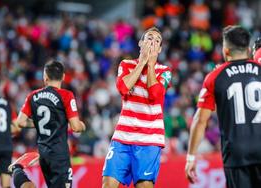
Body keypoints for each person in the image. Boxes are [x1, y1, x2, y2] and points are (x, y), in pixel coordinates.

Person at [185, 25, 261, 188]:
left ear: (225, 51)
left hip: (236, 154)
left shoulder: (215, 76)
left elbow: (200, 120)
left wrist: (191, 157)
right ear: (248, 49)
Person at [102, 27, 172, 188]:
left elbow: (155, 94)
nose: (152, 42)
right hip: (122, 137)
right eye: (149, 38)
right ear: (141, 43)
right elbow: (123, 88)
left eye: (157, 41)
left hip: (149, 139)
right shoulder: (126, 65)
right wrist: (142, 63)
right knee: (107, 184)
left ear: (160, 49)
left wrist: (151, 65)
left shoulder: (165, 71)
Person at [16, 60, 86, 188]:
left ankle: (18, 173)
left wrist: (36, 123)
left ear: (45, 77)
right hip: (59, 155)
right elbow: (76, 127)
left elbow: (20, 122)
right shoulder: (66, 95)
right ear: (63, 77)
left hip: (43, 154)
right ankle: (18, 174)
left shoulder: (33, 95)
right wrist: (82, 125)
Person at [0, 75, 18, 188]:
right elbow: (16, 127)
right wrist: (6, 133)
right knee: (6, 184)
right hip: (7, 146)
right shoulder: (6, 103)